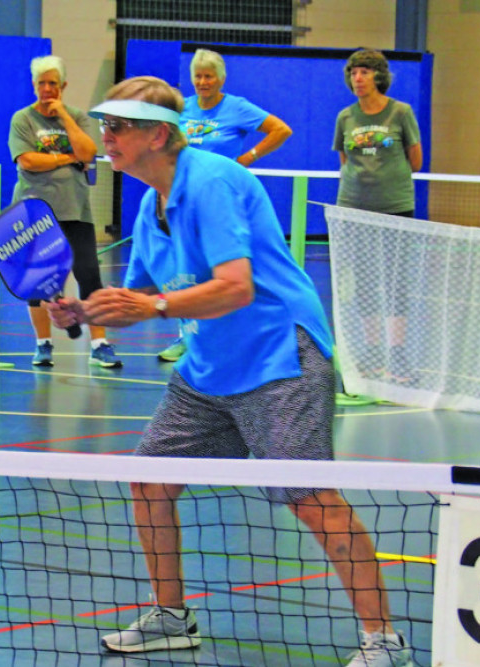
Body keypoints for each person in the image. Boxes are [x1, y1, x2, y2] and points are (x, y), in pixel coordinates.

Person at [46, 76, 411, 666]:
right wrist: (84, 310)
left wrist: (156, 306)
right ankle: (170, 616)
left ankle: (383, 642)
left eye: (118, 127)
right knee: (150, 482)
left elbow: (235, 287)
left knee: (310, 496)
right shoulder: (150, 201)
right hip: (210, 367)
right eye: (104, 126)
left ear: (158, 135)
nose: (104, 137)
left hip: (277, 358)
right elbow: (138, 293)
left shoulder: (212, 181)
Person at [157, 48, 294, 363]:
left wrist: (248, 158)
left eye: (208, 76)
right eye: (198, 76)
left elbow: (281, 129)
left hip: (221, 202)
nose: (202, 82)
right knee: (185, 270)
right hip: (183, 200)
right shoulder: (183, 110)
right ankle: (187, 338)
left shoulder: (237, 108)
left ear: (221, 79)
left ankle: (230, 339)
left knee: (223, 271)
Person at [8, 55, 122, 369]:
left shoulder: (77, 117)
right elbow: (28, 161)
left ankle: (99, 344)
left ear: (63, 87)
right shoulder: (23, 119)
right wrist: (66, 157)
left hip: (76, 210)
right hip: (36, 212)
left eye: (53, 84)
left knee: (89, 275)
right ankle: (43, 344)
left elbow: (88, 153)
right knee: (39, 280)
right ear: (34, 86)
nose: (47, 89)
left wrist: (65, 120)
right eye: (42, 83)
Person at [333, 49, 423, 383]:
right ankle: (372, 355)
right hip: (355, 209)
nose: (358, 78)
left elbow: (415, 160)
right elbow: (345, 160)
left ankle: (397, 356)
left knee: (396, 282)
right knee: (364, 283)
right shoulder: (345, 117)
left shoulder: (401, 112)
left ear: (379, 76)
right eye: (354, 72)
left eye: (365, 72)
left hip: (395, 207)